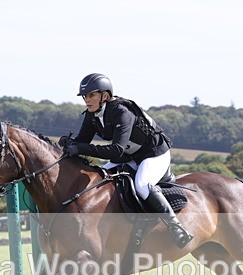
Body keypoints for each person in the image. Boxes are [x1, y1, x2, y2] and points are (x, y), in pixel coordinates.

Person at [62, 73, 193, 248]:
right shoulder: (92, 115)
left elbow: (116, 150)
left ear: (105, 96)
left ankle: (177, 227)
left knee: (142, 184)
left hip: (153, 153)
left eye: (91, 95)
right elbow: (82, 142)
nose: (87, 100)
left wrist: (80, 148)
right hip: (130, 156)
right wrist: (68, 144)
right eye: (85, 96)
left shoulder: (122, 112)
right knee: (101, 179)